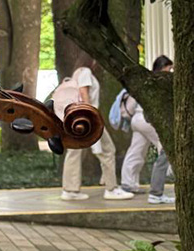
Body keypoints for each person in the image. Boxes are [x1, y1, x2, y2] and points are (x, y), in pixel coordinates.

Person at [60, 60, 133, 201]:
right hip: (89, 119)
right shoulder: (85, 72)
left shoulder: (76, 72)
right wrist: (90, 115)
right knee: (107, 150)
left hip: (75, 118)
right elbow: (83, 91)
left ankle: (70, 189)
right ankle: (111, 188)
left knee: (74, 152)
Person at [120, 55, 174, 204]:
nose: (170, 71)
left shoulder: (146, 80)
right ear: (162, 67)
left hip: (137, 120)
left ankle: (128, 183)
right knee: (166, 148)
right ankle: (159, 189)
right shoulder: (161, 81)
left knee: (136, 151)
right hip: (149, 120)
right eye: (169, 68)